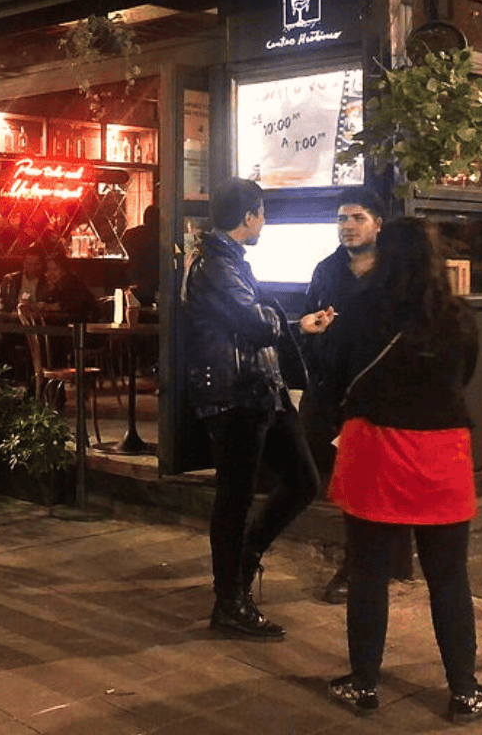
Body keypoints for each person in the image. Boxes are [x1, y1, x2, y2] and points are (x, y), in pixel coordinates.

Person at [324, 217, 482, 722]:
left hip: (376, 451)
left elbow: (333, 374)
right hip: (442, 457)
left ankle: (364, 684)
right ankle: (465, 692)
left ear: (384, 256)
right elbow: (465, 373)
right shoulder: (457, 316)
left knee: (369, 573)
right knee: (448, 578)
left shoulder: (362, 309)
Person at [182, 177, 320, 640]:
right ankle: (230, 600)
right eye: (262, 213)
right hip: (234, 394)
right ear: (249, 217)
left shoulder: (230, 262)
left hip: (262, 389)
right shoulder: (217, 266)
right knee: (234, 498)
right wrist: (281, 317)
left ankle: (246, 559)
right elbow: (256, 323)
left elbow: (260, 323)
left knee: (303, 480)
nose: (264, 221)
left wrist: (289, 322)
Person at [299, 187, 412, 603]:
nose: (347, 226)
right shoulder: (327, 270)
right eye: (342, 218)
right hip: (333, 390)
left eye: (358, 217)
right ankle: (365, 559)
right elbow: (311, 325)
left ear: (378, 224)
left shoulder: (394, 271)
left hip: (379, 393)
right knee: (336, 475)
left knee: (377, 478)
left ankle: (366, 563)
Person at [0, 245, 51, 372]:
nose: (31, 267)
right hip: (12, 323)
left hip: (36, 326)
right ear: (23, 263)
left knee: (37, 344)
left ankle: (31, 378)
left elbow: (46, 303)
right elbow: (2, 302)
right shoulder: (11, 280)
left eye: (35, 264)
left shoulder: (47, 281)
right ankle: (0, 378)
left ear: (41, 265)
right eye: (27, 263)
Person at [39, 251, 98, 322]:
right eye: (49, 269)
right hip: (66, 326)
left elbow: (69, 306)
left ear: (64, 271)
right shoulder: (54, 286)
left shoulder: (73, 283)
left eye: (55, 269)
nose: (51, 273)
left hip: (81, 327)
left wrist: (47, 307)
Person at [121, 204, 159, 306]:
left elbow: (124, 238)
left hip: (136, 276)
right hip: (155, 277)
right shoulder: (160, 235)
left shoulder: (134, 234)